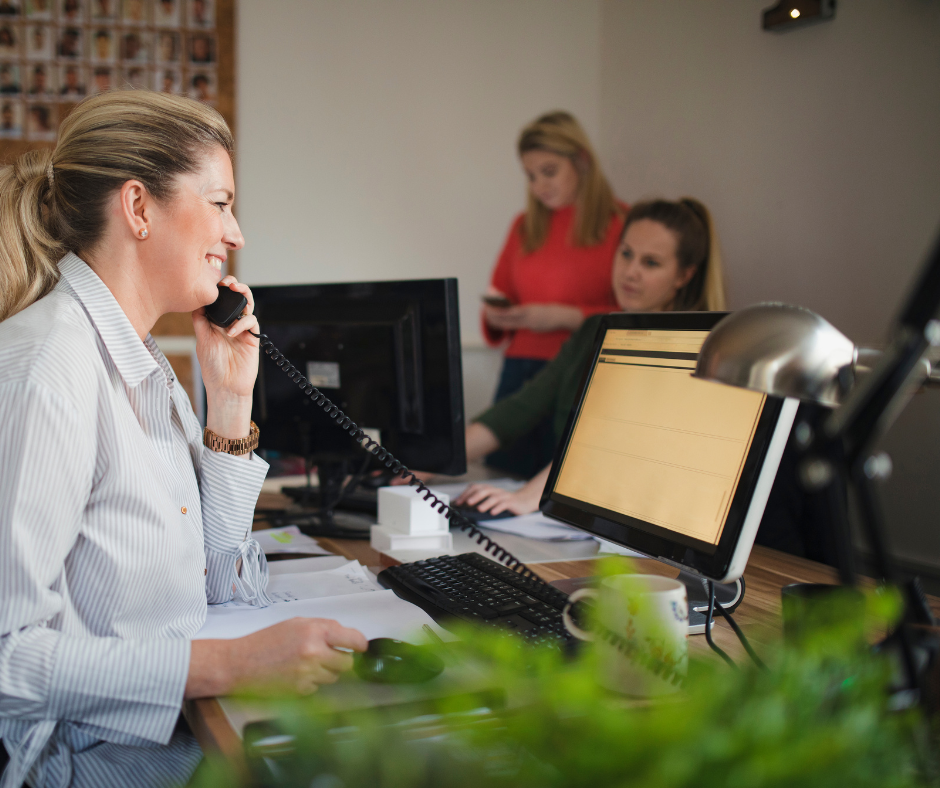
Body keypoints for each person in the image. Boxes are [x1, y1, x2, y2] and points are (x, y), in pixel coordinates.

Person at [0, 90, 367, 787]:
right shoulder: (49, 374)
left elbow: (222, 591)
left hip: (169, 731)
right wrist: (229, 665)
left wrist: (229, 402)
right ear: (138, 209)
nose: (237, 235)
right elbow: (7, 660)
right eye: (222, 202)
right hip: (92, 762)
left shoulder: (149, 369)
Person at [456, 197, 726, 516]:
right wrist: (434, 461)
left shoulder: (691, 348)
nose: (630, 272)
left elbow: (611, 438)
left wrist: (529, 497)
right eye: (626, 254)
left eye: (650, 263)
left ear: (683, 276)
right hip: (573, 511)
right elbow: (521, 407)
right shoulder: (594, 330)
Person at [482, 111, 626, 477]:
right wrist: (497, 316)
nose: (538, 186)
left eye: (548, 171)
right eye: (530, 176)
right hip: (519, 371)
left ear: (582, 162)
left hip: (583, 370)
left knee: (565, 482)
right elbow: (500, 292)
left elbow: (636, 312)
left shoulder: (622, 224)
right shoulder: (523, 226)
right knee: (504, 480)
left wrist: (565, 317)